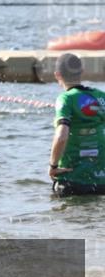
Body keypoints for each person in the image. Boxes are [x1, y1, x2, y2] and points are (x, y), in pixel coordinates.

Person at [48, 53, 105, 196]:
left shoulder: (66, 99)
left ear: (57, 75)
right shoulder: (100, 96)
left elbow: (61, 136)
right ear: (82, 72)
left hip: (71, 180)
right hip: (101, 181)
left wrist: (53, 166)